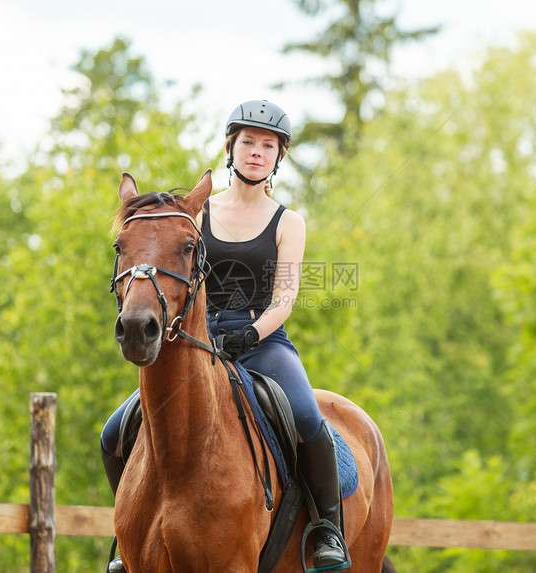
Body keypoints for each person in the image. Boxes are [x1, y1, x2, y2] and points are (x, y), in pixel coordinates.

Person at [100, 99, 349, 573]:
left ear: (279, 157)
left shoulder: (288, 221)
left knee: (305, 416)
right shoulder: (197, 213)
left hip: (264, 341)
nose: (257, 152)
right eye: (248, 142)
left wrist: (251, 334)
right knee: (114, 432)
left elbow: (286, 298)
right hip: (197, 339)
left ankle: (326, 531)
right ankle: (129, 533)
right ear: (231, 149)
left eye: (268, 145)